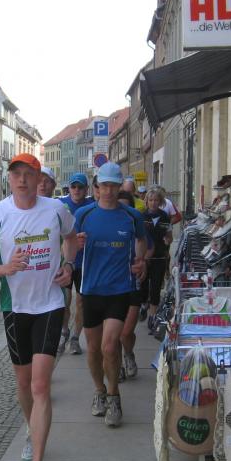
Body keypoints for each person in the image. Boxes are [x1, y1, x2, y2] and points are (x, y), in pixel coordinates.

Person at [0, 153, 77, 461]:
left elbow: (72, 237)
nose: (22, 180)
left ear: (39, 178)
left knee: (40, 385)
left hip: (50, 304)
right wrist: (5, 268)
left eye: (28, 174)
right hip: (14, 307)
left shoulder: (56, 209)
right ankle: (32, 430)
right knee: (24, 383)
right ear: (10, 178)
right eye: (16, 174)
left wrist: (69, 266)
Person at [74, 162, 147, 428]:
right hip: (91, 290)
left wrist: (140, 261)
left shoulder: (132, 216)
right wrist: (74, 246)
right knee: (93, 349)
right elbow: (67, 247)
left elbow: (141, 241)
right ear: (96, 187)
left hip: (119, 289)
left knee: (109, 346)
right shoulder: (83, 214)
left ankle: (115, 396)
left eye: (113, 186)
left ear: (119, 187)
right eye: (104, 185)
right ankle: (99, 391)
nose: (108, 191)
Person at [56, 173, 94, 355]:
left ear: (86, 189)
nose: (76, 190)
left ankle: (75, 338)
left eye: (80, 187)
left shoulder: (92, 205)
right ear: (69, 188)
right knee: (64, 301)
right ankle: (64, 331)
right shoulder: (60, 205)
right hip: (65, 262)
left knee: (81, 302)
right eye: (73, 187)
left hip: (84, 263)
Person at [116, 191, 152, 382]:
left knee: (125, 333)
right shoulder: (107, 225)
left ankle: (128, 354)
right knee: (113, 334)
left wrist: (142, 261)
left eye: (126, 206)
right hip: (111, 285)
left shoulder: (136, 224)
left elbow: (150, 246)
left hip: (132, 284)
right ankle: (117, 365)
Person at [139, 189, 172, 333]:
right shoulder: (141, 216)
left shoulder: (165, 217)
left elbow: (169, 236)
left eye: (156, 200)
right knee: (143, 286)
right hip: (144, 257)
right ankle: (143, 305)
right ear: (146, 201)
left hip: (159, 257)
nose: (153, 203)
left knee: (156, 288)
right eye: (151, 200)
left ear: (160, 202)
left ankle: (152, 318)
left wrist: (168, 240)